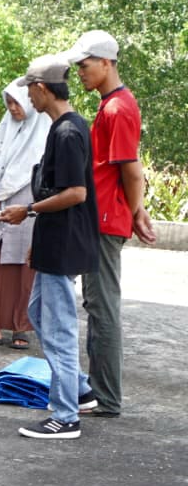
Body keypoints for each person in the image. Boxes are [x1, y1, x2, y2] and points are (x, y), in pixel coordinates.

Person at [0, 54, 100, 440]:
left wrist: (26, 210)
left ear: (42, 88)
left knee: (58, 329)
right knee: (38, 313)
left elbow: (76, 193)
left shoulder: (68, 132)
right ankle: (80, 390)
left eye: (30, 90)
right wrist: (36, 239)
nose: (28, 98)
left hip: (64, 243)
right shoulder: (63, 128)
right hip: (53, 241)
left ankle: (65, 415)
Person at [66, 30, 157, 418]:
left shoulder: (117, 109)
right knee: (97, 304)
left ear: (106, 63)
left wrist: (135, 211)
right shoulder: (111, 105)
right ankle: (101, 391)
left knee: (102, 307)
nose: (80, 72)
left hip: (105, 220)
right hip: (103, 218)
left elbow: (131, 171)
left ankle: (106, 397)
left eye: (84, 65)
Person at [0, 82, 50, 349]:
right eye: (9, 103)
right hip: (0, 203)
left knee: (25, 267)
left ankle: (21, 328)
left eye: (18, 102)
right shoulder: (7, 127)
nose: (13, 108)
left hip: (29, 205)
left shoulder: (44, 130)